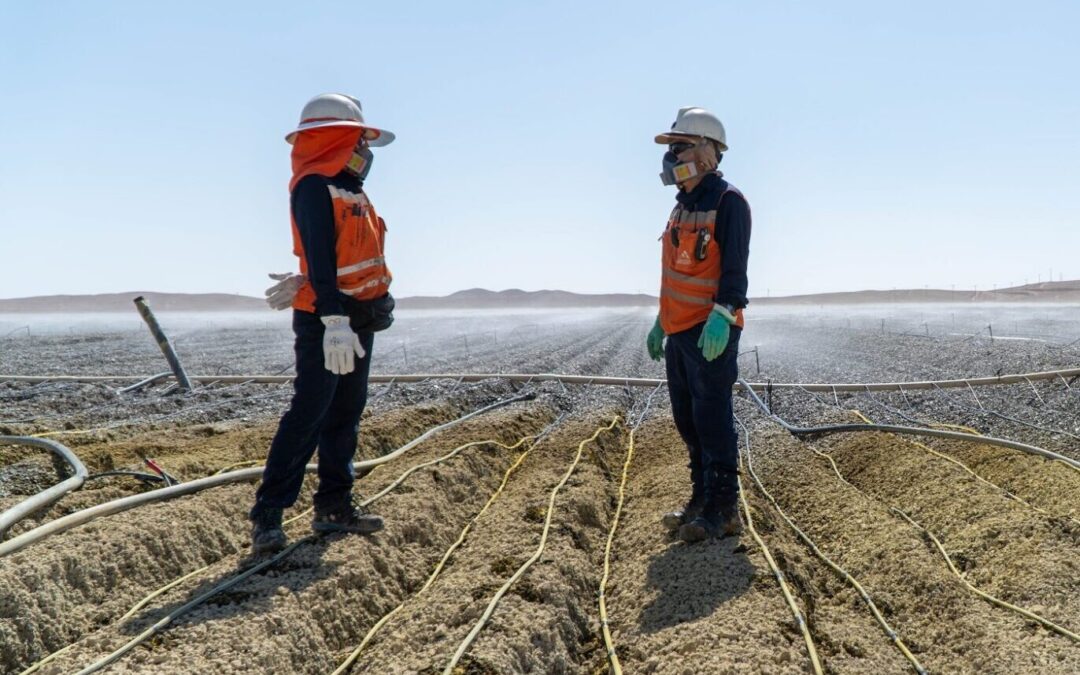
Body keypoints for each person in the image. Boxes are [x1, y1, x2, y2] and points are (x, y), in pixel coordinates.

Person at [249, 93, 397, 554]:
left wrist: (376, 306)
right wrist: (332, 317)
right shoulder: (314, 187)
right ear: (334, 140)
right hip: (327, 321)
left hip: (357, 319)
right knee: (310, 411)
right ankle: (268, 516)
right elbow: (320, 255)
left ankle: (334, 507)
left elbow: (360, 257)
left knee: (345, 413)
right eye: (358, 142)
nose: (365, 153)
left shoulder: (353, 190)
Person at [646, 107, 752, 543]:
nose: (672, 157)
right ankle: (699, 501)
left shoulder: (729, 203)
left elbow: (735, 271)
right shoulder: (679, 208)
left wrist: (723, 316)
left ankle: (724, 508)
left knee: (712, 420)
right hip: (678, 331)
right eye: (671, 148)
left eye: (680, 146)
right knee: (687, 420)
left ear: (707, 152)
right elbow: (674, 271)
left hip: (712, 330)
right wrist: (660, 321)